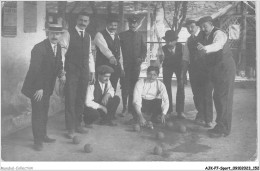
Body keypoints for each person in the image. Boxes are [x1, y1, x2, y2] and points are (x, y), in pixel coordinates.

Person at [21, 19, 65, 151]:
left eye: (57, 34)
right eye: (52, 33)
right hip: (37, 87)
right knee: (38, 114)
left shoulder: (58, 47)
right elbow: (35, 69)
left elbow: (59, 63)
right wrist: (39, 87)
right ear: (48, 33)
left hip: (47, 87)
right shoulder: (39, 48)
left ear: (60, 35)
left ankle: (43, 134)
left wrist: (61, 74)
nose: (55, 36)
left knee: (44, 112)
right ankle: (37, 141)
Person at [197, 16, 236, 137]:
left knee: (222, 98)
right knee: (218, 97)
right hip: (216, 70)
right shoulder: (204, 35)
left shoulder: (219, 33)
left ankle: (223, 129)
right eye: (201, 27)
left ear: (211, 24)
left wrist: (205, 48)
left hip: (225, 69)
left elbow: (217, 45)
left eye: (205, 26)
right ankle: (220, 126)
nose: (203, 29)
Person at [64, 12, 95, 139]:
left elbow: (89, 55)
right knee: (70, 99)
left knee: (81, 98)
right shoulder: (68, 34)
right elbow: (62, 52)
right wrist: (62, 71)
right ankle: (70, 128)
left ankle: (78, 124)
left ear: (88, 22)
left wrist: (92, 71)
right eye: (81, 20)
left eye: (85, 21)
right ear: (77, 20)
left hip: (84, 71)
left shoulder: (88, 36)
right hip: (71, 71)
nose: (83, 22)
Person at [183, 19, 214, 128]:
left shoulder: (205, 36)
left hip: (206, 70)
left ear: (197, 26)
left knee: (207, 94)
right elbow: (186, 58)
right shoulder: (188, 40)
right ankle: (200, 114)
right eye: (187, 27)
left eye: (192, 26)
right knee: (197, 95)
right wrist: (184, 74)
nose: (189, 29)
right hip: (194, 71)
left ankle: (208, 119)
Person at [119, 15, 147, 116]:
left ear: (137, 24)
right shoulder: (122, 35)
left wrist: (141, 58)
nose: (133, 25)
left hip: (136, 66)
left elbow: (144, 50)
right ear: (129, 24)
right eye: (131, 23)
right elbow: (118, 51)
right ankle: (125, 108)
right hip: (125, 66)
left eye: (135, 23)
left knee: (134, 86)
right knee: (125, 86)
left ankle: (131, 108)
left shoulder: (140, 35)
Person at [94, 13, 124, 93]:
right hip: (103, 66)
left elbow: (120, 53)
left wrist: (121, 67)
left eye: (115, 25)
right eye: (111, 25)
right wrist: (111, 57)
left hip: (115, 68)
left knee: (112, 89)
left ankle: (109, 105)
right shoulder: (99, 35)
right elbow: (104, 49)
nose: (113, 27)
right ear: (107, 24)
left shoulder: (117, 36)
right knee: (101, 88)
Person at [161, 30, 186, 119]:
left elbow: (185, 60)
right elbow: (158, 61)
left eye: (172, 40)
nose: (169, 42)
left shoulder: (182, 47)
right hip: (167, 67)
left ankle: (180, 111)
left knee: (181, 86)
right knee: (166, 87)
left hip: (180, 66)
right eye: (167, 40)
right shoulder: (162, 49)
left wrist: (183, 74)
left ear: (176, 40)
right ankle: (168, 110)